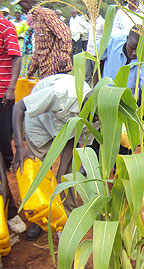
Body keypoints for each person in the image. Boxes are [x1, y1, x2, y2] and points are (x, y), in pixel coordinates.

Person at [12, 74, 92, 240]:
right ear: (85, 105)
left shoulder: (98, 114)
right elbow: (19, 107)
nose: (96, 121)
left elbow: (75, 139)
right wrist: (20, 147)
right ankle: (42, 218)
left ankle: (67, 217)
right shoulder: (61, 93)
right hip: (39, 121)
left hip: (66, 128)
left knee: (69, 174)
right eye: (94, 117)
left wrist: (61, 175)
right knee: (38, 168)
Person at [13, 0, 72, 78]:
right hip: (46, 70)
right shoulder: (35, 19)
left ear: (27, 1)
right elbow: (39, 49)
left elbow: (65, 32)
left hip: (57, 68)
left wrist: (63, 56)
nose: (20, 8)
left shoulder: (46, 14)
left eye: (21, 4)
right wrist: (30, 72)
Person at [0, 10, 21, 186]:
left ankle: (9, 166)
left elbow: (16, 58)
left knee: (4, 135)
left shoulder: (6, 27)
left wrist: (11, 88)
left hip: (3, 91)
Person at [85, 12, 104, 84]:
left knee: (97, 73)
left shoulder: (102, 22)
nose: (88, 14)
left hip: (97, 52)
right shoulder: (90, 22)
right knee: (88, 73)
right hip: (89, 50)